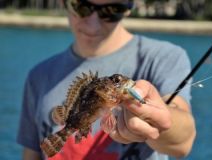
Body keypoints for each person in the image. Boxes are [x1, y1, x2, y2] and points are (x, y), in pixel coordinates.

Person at [17, 0, 196, 160]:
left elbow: (182, 144)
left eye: (111, 10)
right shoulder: (38, 75)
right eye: (82, 7)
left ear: (128, 7)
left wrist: (161, 119)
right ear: (64, 2)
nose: (93, 24)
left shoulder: (164, 58)